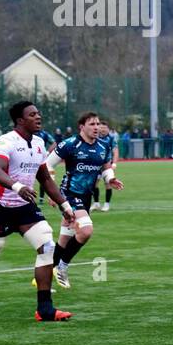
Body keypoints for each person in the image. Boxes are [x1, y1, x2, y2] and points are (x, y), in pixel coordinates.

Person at [0, 100, 76, 322]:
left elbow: (45, 178)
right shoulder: (6, 141)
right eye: (32, 114)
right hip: (0, 205)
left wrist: (65, 205)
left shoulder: (39, 142)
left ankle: (45, 309)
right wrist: (17, 187)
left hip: (25, 207)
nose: (38, 117)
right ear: (20, 120)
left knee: (47, 245)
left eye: (38, 113)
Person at [46, 112, 124, 289]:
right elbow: (47, 165)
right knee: (86, 230)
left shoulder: (103, 146)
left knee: (65, 239)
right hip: (68, 194)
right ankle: (62, 267)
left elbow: (105, 168)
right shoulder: (70, 144)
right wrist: (52, 192)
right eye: (92, 124)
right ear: (82, 127)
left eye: (97, 124)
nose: (96, 127)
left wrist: (110, 178)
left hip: (86, 196)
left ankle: (43, 278)